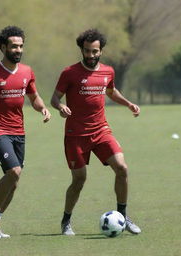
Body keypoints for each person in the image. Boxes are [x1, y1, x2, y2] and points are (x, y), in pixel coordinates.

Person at [51, 29, 141, 236]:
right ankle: (66, 221)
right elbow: (55, 98)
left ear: (101, 51)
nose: (91, 55)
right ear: (81, 50)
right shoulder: (69, 73)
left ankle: (123, 216)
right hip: (76, 135)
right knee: (79, 179)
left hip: (101, 131)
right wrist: (60, 107)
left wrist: (128, 104)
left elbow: (110, 91)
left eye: (95, 51)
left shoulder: (108, 71)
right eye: (87, 51)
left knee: (122, 168)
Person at [0, 26, 51, 238]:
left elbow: (34, 97)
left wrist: (43, 108)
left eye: (21, 46)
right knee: (14, 172)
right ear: (3, 47)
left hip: (19, 133)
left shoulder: (27, 72)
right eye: (14, 46)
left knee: (14, 181)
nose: (18, 50)